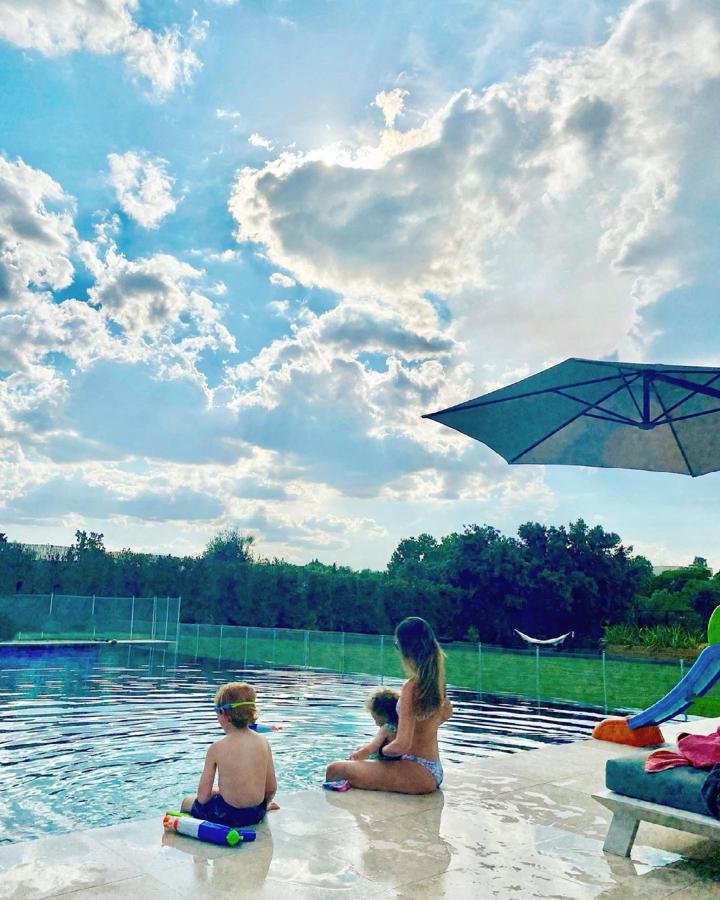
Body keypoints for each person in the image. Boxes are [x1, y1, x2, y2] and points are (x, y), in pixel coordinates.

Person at [325, 617, 452, 794]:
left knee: (335, 770)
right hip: (433, 769)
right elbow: (445, 715)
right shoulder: (438, 683)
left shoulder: (412, 687)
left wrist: (375, 750)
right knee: (356, 762)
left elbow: (402, 745)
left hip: (416, 772)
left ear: (406, 649)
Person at [180, 681, 278, 826]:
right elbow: (271, 788)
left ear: (223, 713)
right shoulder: (263, 742)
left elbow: (202, 797)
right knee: (220, 793)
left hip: (227, 815)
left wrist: (216, 793)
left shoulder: (216, 748)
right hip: (256, 813)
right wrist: (264, 805)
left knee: (187, 802)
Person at [349, 687, 400, 760]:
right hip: (395, 759)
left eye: (375, 719)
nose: (376, 723)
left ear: (383, 715)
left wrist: (356, 756)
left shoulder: (386, 728)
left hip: (384, 761)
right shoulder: (399, 725)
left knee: (358, 751)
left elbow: (373, 747)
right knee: (360, 747)